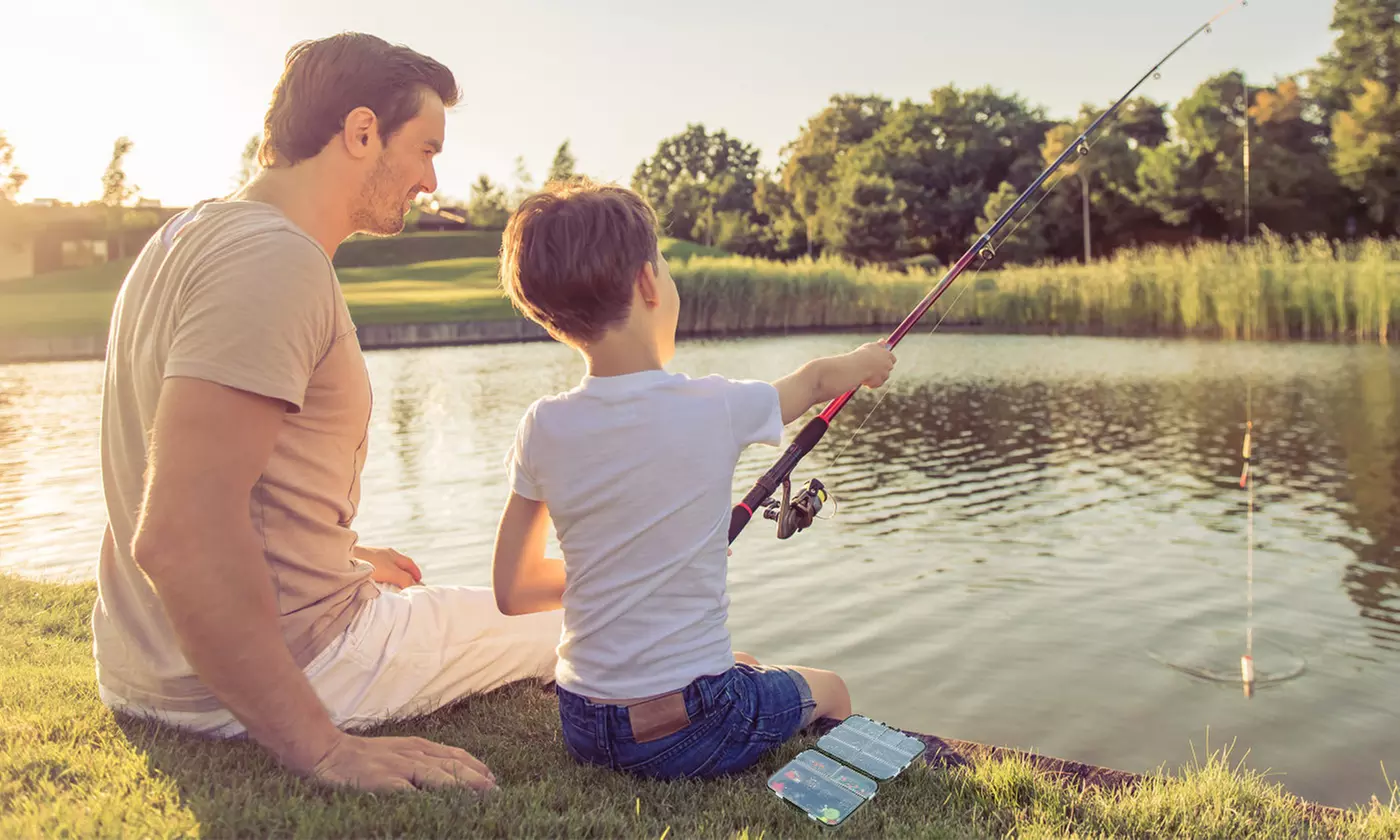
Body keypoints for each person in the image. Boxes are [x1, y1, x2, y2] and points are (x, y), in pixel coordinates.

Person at [92, 32, 561, 795]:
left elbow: (182, 469)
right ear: (362, 131)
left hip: (139, 667)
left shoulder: (180, 237)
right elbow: (179, 534)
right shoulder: (275, 260)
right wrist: (324, 750)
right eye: (425, 149)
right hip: (282, 672)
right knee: (590, 620)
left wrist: (324, 556)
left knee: (427, 588)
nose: (430, 180)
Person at [490, 178, 895, 779]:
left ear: (554, 323)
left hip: (582, 721)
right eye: (665, 265)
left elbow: (514, 588)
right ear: (648, 284)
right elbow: (812, 383)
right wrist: (865, 362)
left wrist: (629, 573)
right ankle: (827, 790)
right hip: (691, 725)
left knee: (744, 661)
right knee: (830, 688)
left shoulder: (542, 425)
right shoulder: (713, 405)